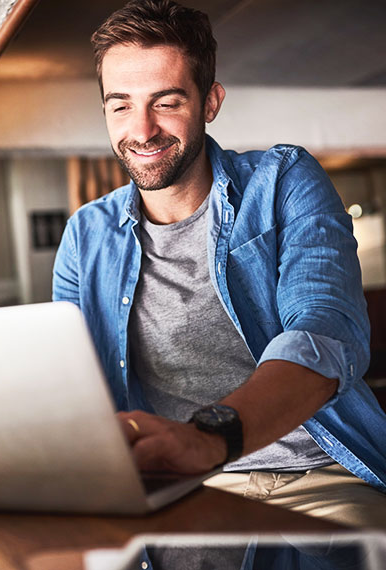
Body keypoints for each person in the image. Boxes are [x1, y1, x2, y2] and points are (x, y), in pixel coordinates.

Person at [53, 0, 386, 528]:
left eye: (166, 102)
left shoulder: (284, 182)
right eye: (120, 106)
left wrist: (208, 438)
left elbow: (326, 332)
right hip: (173, 488)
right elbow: (71, 382)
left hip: (318, 476)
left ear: (210, 102)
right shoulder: (85, 234)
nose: (141, 129)